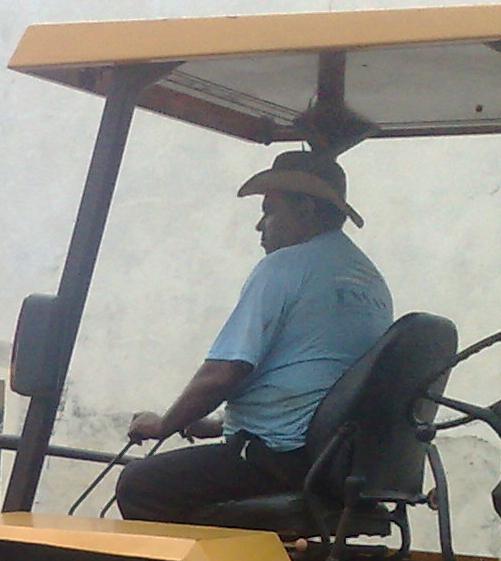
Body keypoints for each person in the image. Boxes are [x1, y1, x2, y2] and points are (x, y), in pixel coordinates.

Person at [114, 151, 393, 525]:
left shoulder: (283, 267)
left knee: (139, 485)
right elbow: (315, 383)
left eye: (269, 211)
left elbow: (224, 372)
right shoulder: (369, 280)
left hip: (285, 459)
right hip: (337, 461)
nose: (259, 226)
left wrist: (163, 423)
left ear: (306, 209)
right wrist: (216, 425)